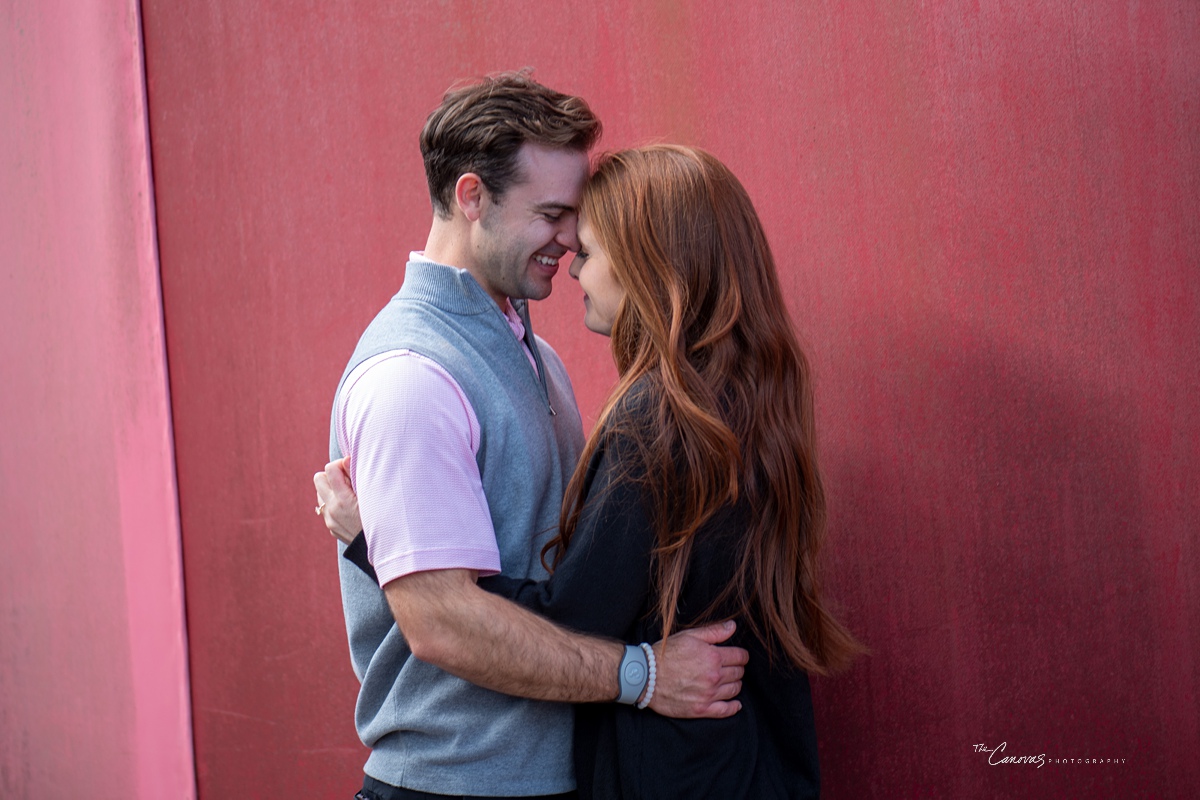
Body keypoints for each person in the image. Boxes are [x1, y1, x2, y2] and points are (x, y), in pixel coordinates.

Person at [321, 145, 863, 798]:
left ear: (649, 269)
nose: (574, 268)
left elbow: (571, 617)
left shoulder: (658, 418)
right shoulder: (748, 400)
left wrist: (374, 543)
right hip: (754, 763)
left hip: (680, 772)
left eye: (592, 252)